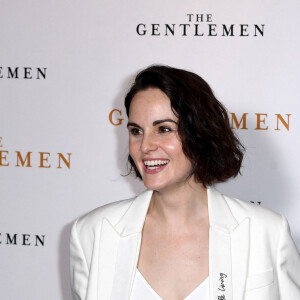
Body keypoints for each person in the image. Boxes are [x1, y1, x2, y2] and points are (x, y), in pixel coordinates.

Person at [70, 65, 300, 300]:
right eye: (136, 131)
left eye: (164, 129)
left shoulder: (266, 233)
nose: (146, 146)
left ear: (200, 133)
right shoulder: (93, 233)